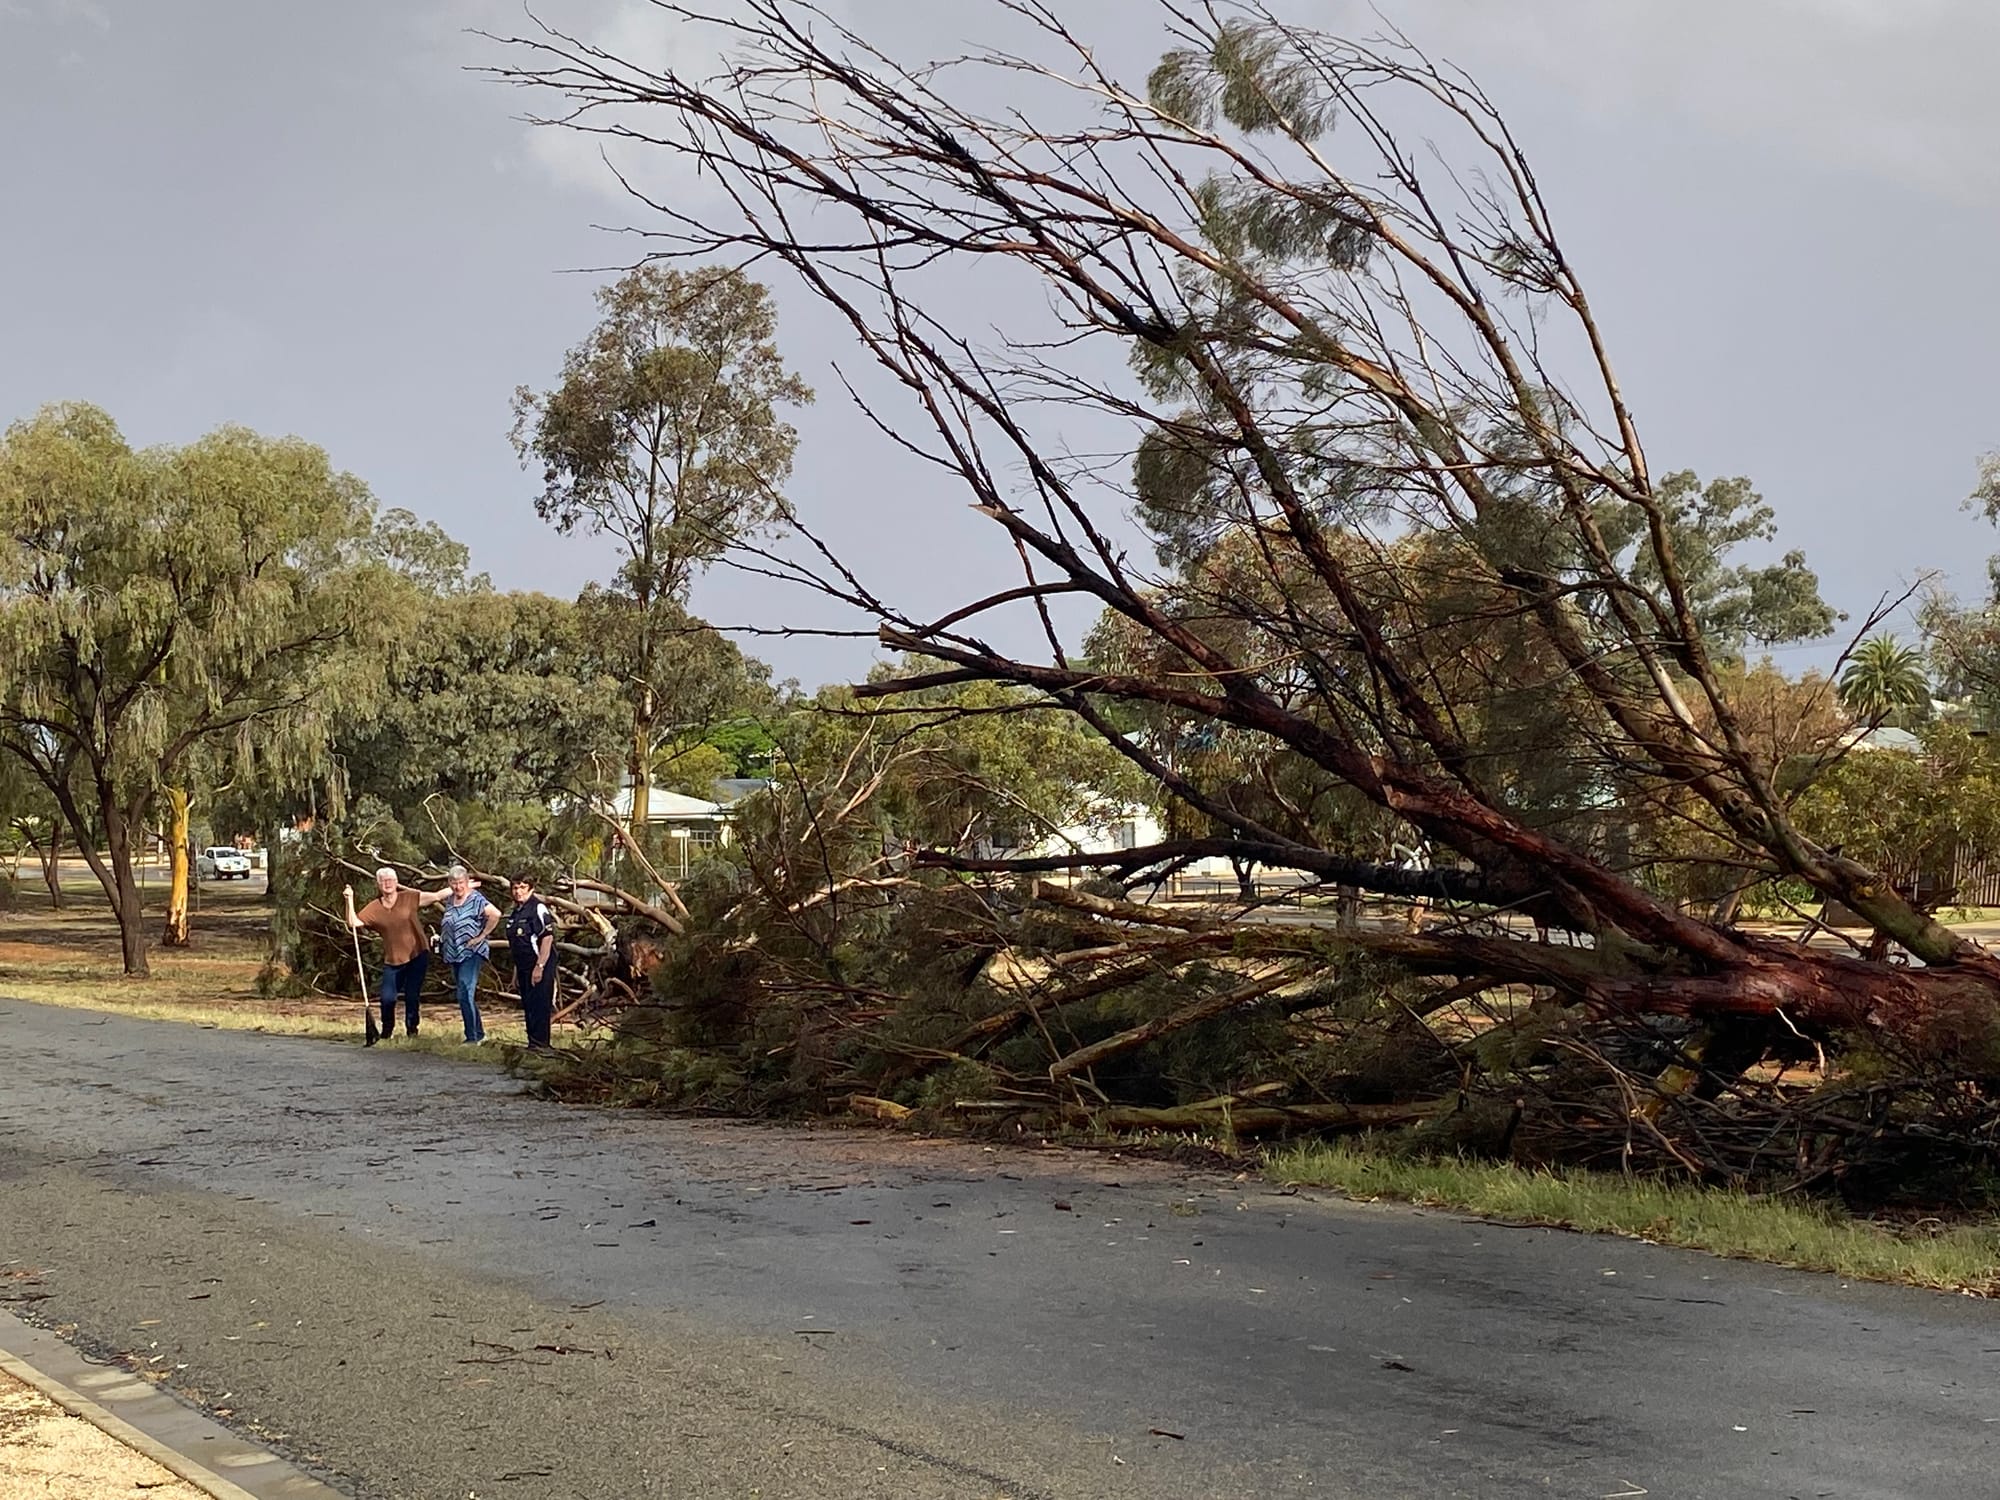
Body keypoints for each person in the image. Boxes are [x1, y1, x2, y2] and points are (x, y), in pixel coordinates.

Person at [344, 868, 448, 1039]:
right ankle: (387, 1031)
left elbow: (437, 896)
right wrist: (349, 900)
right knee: (387, 998)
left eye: (391, 879)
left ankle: (412, 1030)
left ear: (396, 881)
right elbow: (353, 922)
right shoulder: (375, 908)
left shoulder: (409, 897)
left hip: (417, 955)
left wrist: (461, 885)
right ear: (378, 884)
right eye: (383, 880)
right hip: (393, 960)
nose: (388, 883)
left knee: (412, 995)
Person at [436, 864, 501, 1043]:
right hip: (453, 951)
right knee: (464, 992)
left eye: (461, 883)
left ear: (467, 882)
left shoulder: (476, 899)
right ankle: (479, 1033)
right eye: (454, 883)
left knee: (465, 991)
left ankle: (471, 1037)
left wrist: (482, 935)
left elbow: (495, 914)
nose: (458, 887)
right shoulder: (450, 899)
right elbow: (438, 899)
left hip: (471, 951)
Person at [505, 872, 559, 1051]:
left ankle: (542, 1045)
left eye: (522, 887)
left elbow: (547, 938)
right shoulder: (515, 912)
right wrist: (515, 973)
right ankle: (532, 1044)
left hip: (539, 964)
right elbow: (518, 945)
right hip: (523, 966)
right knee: (528, 1005)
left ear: (531, 888)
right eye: (515, 887)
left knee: (539, 1005)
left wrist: (540, 966)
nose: (518, 891)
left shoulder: (537, 908)